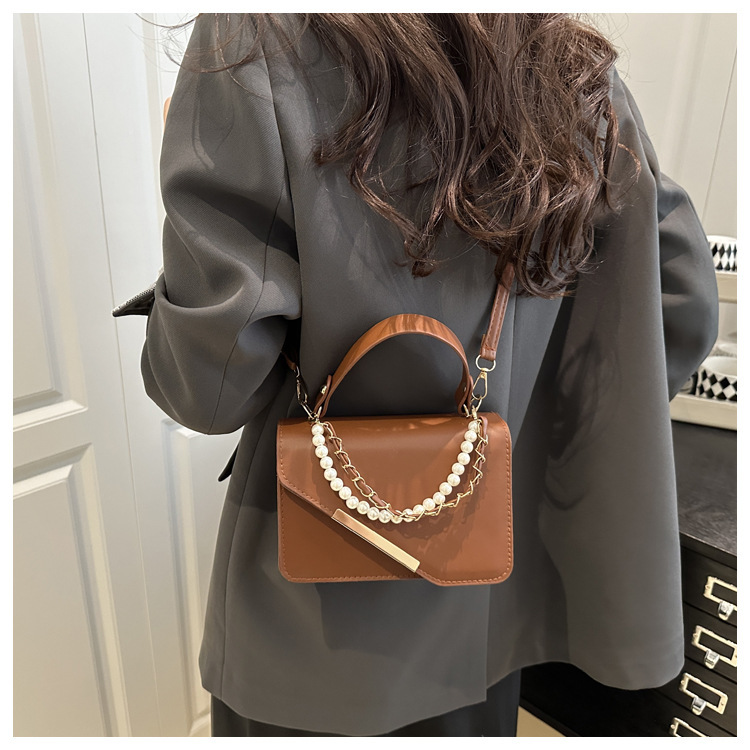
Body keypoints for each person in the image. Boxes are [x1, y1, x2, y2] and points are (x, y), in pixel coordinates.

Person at [138, 13, 719, 736]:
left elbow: (207, 387)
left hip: (315, 641)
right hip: (488, 618)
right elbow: (682, 310)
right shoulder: (574, 70)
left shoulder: (256, 37)